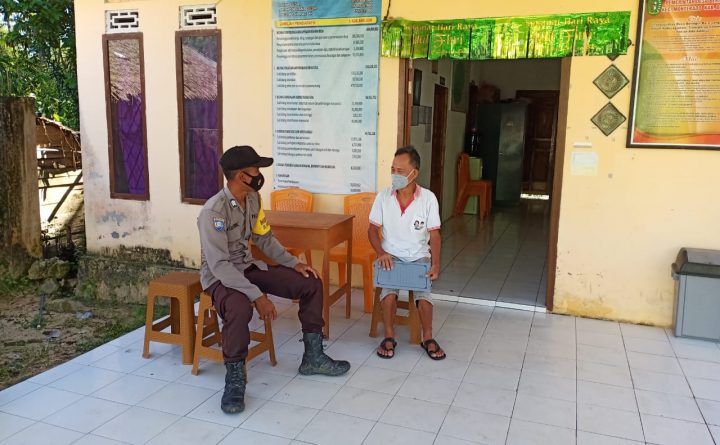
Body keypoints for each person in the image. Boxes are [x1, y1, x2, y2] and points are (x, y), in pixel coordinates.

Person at [198, 145, 350, 414]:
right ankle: (235, 379)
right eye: (255, 170)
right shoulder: (214, 212)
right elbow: (220, 266)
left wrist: (294, 263)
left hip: (247, 267)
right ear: (241, 176)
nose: (259, 175)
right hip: (220, 278)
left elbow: (264, 239)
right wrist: (256, 296)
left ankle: (313, 357)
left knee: (311, 282)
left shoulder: (253, 199)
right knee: (239, 307)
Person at [368, 145, 446, 360]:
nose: (395, 175)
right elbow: (372, 230)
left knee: (423, 293)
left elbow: (435, 235)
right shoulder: (384, 197)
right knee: (388, 291)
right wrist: (380, 252)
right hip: (390, 254)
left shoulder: (428, 198)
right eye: (392, 170)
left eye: (400, 171)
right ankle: (389, 336)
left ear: (414, 173)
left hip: (419, 255)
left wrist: (436, 264)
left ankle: (428, 337)